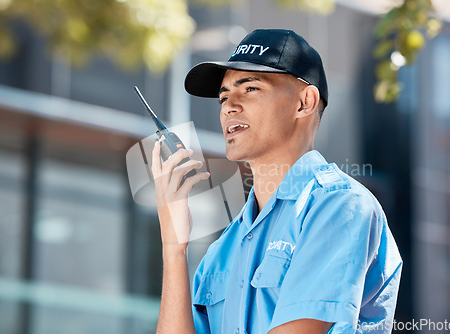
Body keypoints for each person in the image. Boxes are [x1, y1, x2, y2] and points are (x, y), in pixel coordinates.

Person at [152, 29, 402, 334]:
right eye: (224, 96)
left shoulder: (340, 207)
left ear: (304, 102)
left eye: (251, 89)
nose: (229, 106)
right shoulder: (221, 252)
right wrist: (173, 248)